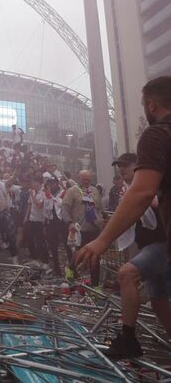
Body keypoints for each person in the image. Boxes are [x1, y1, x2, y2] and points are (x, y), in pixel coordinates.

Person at [76, 77, 171, 297]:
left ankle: (128, 332)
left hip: (159, 242)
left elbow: (143, 192)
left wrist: (102, 240)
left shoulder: (158, 134)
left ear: (151, 105)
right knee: (158, 299)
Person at [103, 153, 170, 358]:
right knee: (158, 301)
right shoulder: (129, 192)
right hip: (149, 247)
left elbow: (156, 203)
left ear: (138, 166)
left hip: (162, 246)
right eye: (119, 167)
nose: (121, 170)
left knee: (127, 274)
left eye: (126, 166)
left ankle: (128, 338)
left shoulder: (152, 185)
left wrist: (140, 195)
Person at [62, 170, 103, 285]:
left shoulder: (94, 191)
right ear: (79, 178)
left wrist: (102, 220)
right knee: (79, 255)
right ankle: (70, 269)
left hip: (94, 228)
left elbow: (99, 208)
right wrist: (69, 222)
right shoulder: (72, 191)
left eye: (88, 180)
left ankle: (95, 284)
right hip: (79, 229)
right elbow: (65, 208)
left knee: (95, 257)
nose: (86, 182)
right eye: (84, 179)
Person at [44, 178, 69, 276]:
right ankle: (57, 269)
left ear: (56, 183)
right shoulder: (48, 194)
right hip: (51, 221)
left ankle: (71, 268)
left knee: (67, 246)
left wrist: (52, 198)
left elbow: (61, 204)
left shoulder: (63, 193)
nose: (51, 186)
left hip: (62, 221)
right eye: (49, 184)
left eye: (52, 183)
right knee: (53, 246)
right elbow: (47, 208)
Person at [23, 176, 49, 267]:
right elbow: (29, 205)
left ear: (39, 183)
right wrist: (26, 217)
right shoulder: (33, 192)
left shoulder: (43, 193)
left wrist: (32, 195)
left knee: (40, 241)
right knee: (30, 239)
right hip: (31, 219)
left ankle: (45, 261)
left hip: (40, 220)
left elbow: (39, 205)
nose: (32, 184)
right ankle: (35, 258)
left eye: (34, 182)